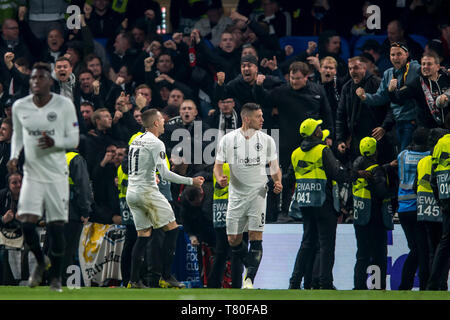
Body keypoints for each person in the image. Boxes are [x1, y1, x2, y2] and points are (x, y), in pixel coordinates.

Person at [7, 62, 80, 292]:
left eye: (41, 78)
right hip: (32, 173)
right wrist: (13, 155)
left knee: (56, 228)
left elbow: (74, 140)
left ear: (50, 81)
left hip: (57, 174)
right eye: (33, 78)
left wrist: (54, 142)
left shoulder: (64, 105)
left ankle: (56, 278)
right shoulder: (20, 106)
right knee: (27, 224)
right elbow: (18, 134)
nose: (36, 82)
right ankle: (41, 261)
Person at [126, 108, 204, 289]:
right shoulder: (156, 143)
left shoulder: (136, 140)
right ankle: (166, 276)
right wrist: (191, 181)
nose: (164, 123)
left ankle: (134, 280)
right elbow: (166, 174)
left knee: (143, 235)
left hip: (132, 193)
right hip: (147, 192)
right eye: (161, 120)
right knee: (173, 229)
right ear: (155, 123)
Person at [289, 118, 364, 290]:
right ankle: (325, 283)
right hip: (324, 202)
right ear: (315, 133)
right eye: (319, 128)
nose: (321, 129)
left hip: (306, 203)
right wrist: (355, 174)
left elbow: (290, 176)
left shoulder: (295, 153)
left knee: (307, 243)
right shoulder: (323, 150)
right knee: (326, 245)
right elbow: (337, 173)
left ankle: (294, 282)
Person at [214, 102, 282, 289]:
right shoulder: (228, 139)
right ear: (246, 118)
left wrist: (278, 181)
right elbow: (217, 166)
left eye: (262, 115)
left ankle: (249, 280)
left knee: (255, 237)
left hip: (259, 194)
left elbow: (274, 167)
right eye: (258, 116)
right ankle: (250, 267)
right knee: (233, 240)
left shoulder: (267, 140)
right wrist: (220, 178)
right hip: (236, 196)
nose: (262, 119)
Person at [356, 42, 421, 151]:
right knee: (399, 156)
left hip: (413, 121)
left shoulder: (415, 68)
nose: (396, 58)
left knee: (404, 155)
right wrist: (365, 97)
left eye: (399, 54)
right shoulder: (388, 74)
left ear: (407, 54)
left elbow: (426, 70)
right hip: (396, 123)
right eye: (393, 55)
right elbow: (381, 97)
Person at [352, 137, 395, 290]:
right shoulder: (377, 169)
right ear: (376, 150)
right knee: (379, 255)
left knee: (362, 254)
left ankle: (358, 287)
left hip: (359, 216)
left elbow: (370, 173)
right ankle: (378, 287)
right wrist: (393, 192)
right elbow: (381, 191)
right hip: (375, 217)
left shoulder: (357, 167)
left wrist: (387, 167)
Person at [336, 56, 396, 165]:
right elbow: (341, 116)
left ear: (364, 68)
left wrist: (384, 127)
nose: (352, 71)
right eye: (350, 69)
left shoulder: (377, 83)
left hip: (378, 139)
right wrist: (340, 139)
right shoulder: (347, 88)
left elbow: (391, 108)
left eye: (356, 68)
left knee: (379, 174)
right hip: (356, 141)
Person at [396, 127, 431, 290]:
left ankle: (405, 285)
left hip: (403, 209)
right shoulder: (428, 156)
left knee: (415, 248)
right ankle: (422, 285)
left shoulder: (402, 155)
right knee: (422, 250)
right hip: (418, 207)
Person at [414, 128, 448, 290]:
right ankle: (440, 283)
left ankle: (429, 284)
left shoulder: (422, 162)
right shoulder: (440, 159)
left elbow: (416, 186)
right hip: (440, 209)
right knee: (443, 246)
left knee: (431, 250)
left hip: (424, 209)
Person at [388, 53, 450, 129]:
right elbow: (397, 99)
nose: (425, 67)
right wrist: (391, 90)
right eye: (423, 64)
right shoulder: (415, 83)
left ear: (437, 67)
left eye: (429, 64)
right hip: (428, 131)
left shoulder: (447, 78)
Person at [427, 113, 450, 290]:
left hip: (445, 197)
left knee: (445, 241)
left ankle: (434, 283)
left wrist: (439, 200)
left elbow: (433, 178)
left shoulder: (440, 143)